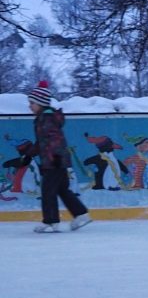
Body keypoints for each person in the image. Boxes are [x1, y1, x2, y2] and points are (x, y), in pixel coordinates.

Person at [28, 80, 91, 233]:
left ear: (41, 103)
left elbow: (55, 139)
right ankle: (81, 214)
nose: (30, 106)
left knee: (48, 191)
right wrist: (28, 155)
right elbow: (42, 142)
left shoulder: (46, 119)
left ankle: (51, 222)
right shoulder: (44, 118)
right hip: (56, 160)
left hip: (54, 161)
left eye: (32, 103)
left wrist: (55, 157)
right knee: (62, 189)